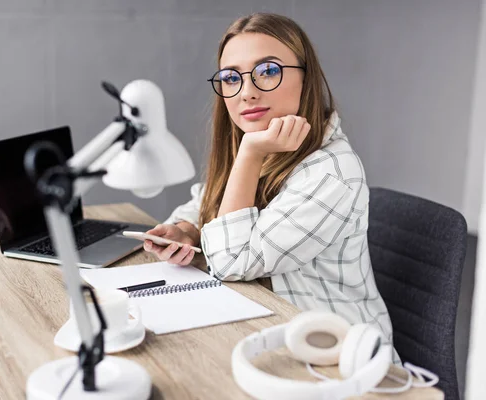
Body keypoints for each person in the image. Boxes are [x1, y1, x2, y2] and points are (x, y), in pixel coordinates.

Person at [142, 12, 399, 363]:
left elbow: (231, 262)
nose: (246, 92)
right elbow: (205, 199)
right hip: (264, 328)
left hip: (337, 359)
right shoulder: (261, 142)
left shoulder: (333, 172)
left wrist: (250, 152)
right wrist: (187, 229)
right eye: (231, 78)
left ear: (305, 79)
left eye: (268, 71)